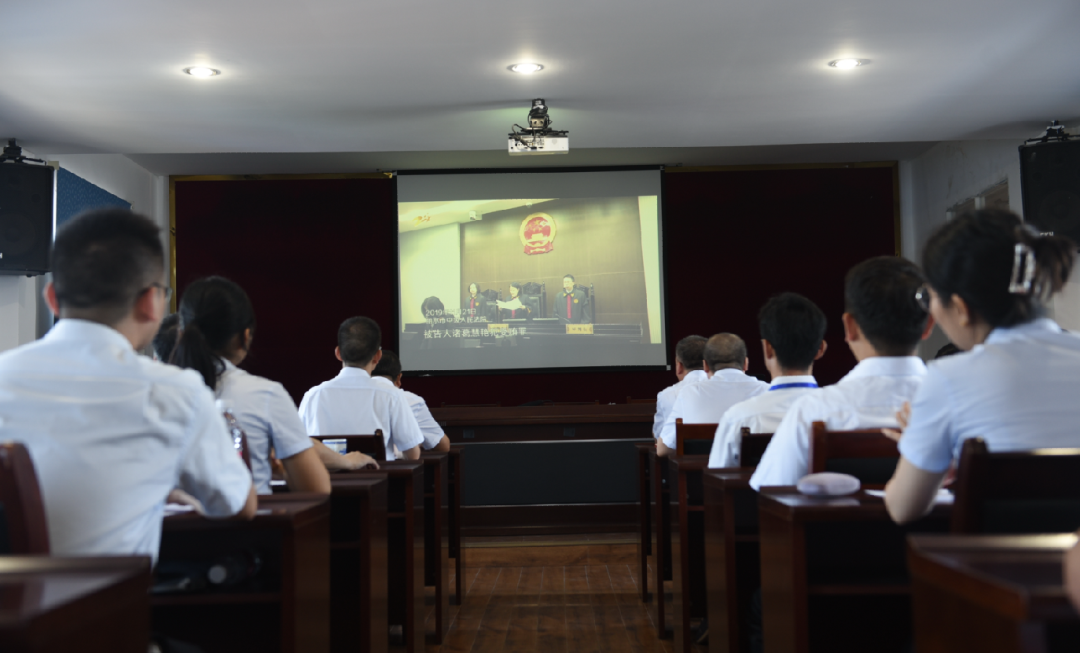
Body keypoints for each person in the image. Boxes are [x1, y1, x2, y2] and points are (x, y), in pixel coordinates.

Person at [0, 209, 256, 559]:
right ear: (151, 303)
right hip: (107, 593)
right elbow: (238, 505)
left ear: (53, 298)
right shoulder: (175, 391)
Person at [884, 210, 1080, 523]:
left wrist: (919, 444)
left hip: (1001, 554)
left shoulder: (948, 377)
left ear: (961, 308)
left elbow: (903, 508)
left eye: (930, 299)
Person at [749, 256, 934, 490]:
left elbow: (772, 490)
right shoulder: (963, 406)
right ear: (929, 324)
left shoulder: (812, 412)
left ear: (849, 327)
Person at [172, 277, 335, 495]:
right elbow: (317, 488)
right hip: (249, 517)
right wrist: (281, 472)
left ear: (181, 334)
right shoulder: (265, 395)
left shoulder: (152, 392)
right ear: (246, 336)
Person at [709, 293, 828, 469]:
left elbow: (718, 478)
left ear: (767, 348)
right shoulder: (846, 416)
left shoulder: (738, 418)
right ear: (821, 349)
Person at [299, 316, 426, 460]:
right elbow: (412, 454)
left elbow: (298, 449)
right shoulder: (391, 395)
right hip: (379, 474)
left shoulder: (313, 396)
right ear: (378, 356)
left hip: (326, 475)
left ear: (338, 353)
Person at [657, 333, 770, 457]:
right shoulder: (767, 391)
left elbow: (663, 449)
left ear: (705, 365)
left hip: (700, 469)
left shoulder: (689, 393)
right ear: (746, 363)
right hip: (753, 469)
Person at [373, 349, 451, 453]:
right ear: (399, 378)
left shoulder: (352, 396)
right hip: (395, 462)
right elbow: (443, 446)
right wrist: (416, 441)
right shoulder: (411, 401)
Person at [654, 335, 708, 440]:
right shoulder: (725, 392)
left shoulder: (666, 395)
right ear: (708, 364)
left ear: (679, 366)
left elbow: (660, 436)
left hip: (678, 451)